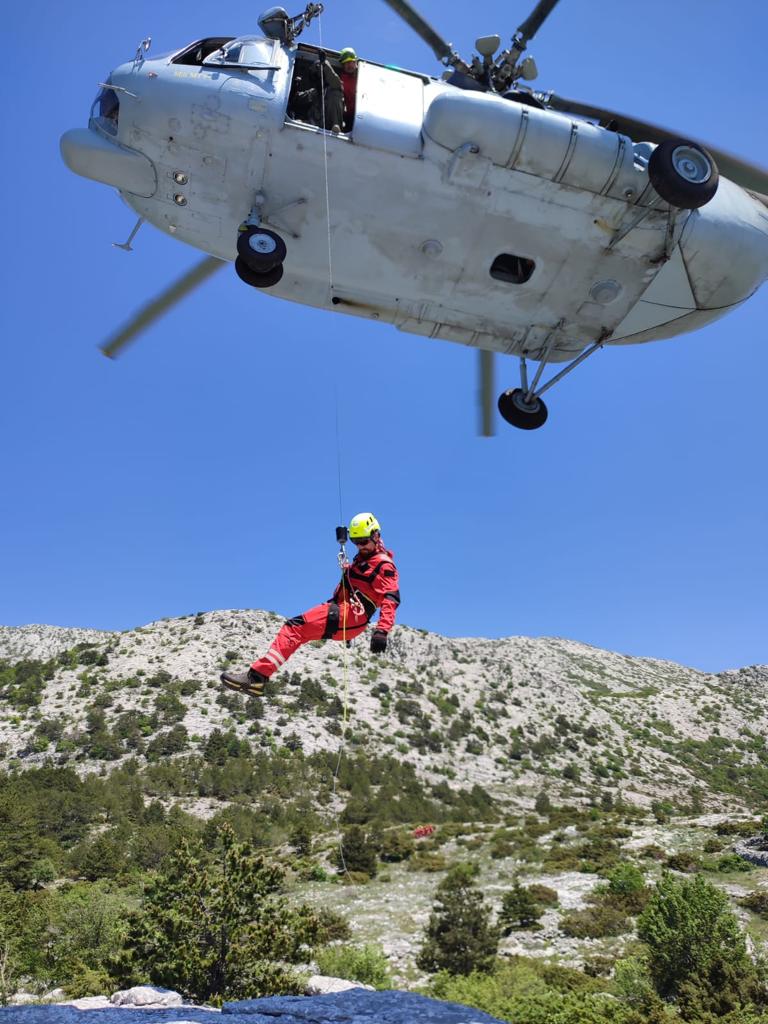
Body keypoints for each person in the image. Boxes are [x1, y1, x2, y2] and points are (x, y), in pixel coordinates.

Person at [221, 513, 400, 697]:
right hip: (344, 612)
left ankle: (256, 678)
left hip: (351, 615)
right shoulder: (363, 560)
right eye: (356, 542)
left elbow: (391, 598)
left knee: (294, 628)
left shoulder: (384, 565)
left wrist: (382, 630)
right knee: (295, 629)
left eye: (363, 541)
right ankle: (257, 677)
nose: (360, 547)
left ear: (376, 535)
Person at [338, 48, 359, 132]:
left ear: (356, 63)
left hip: (359, 116)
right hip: (346, 116)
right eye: (346, 63)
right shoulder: (340, 79)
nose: (349, 65)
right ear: (342, 65)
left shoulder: (363, 77)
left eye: (351, 62)